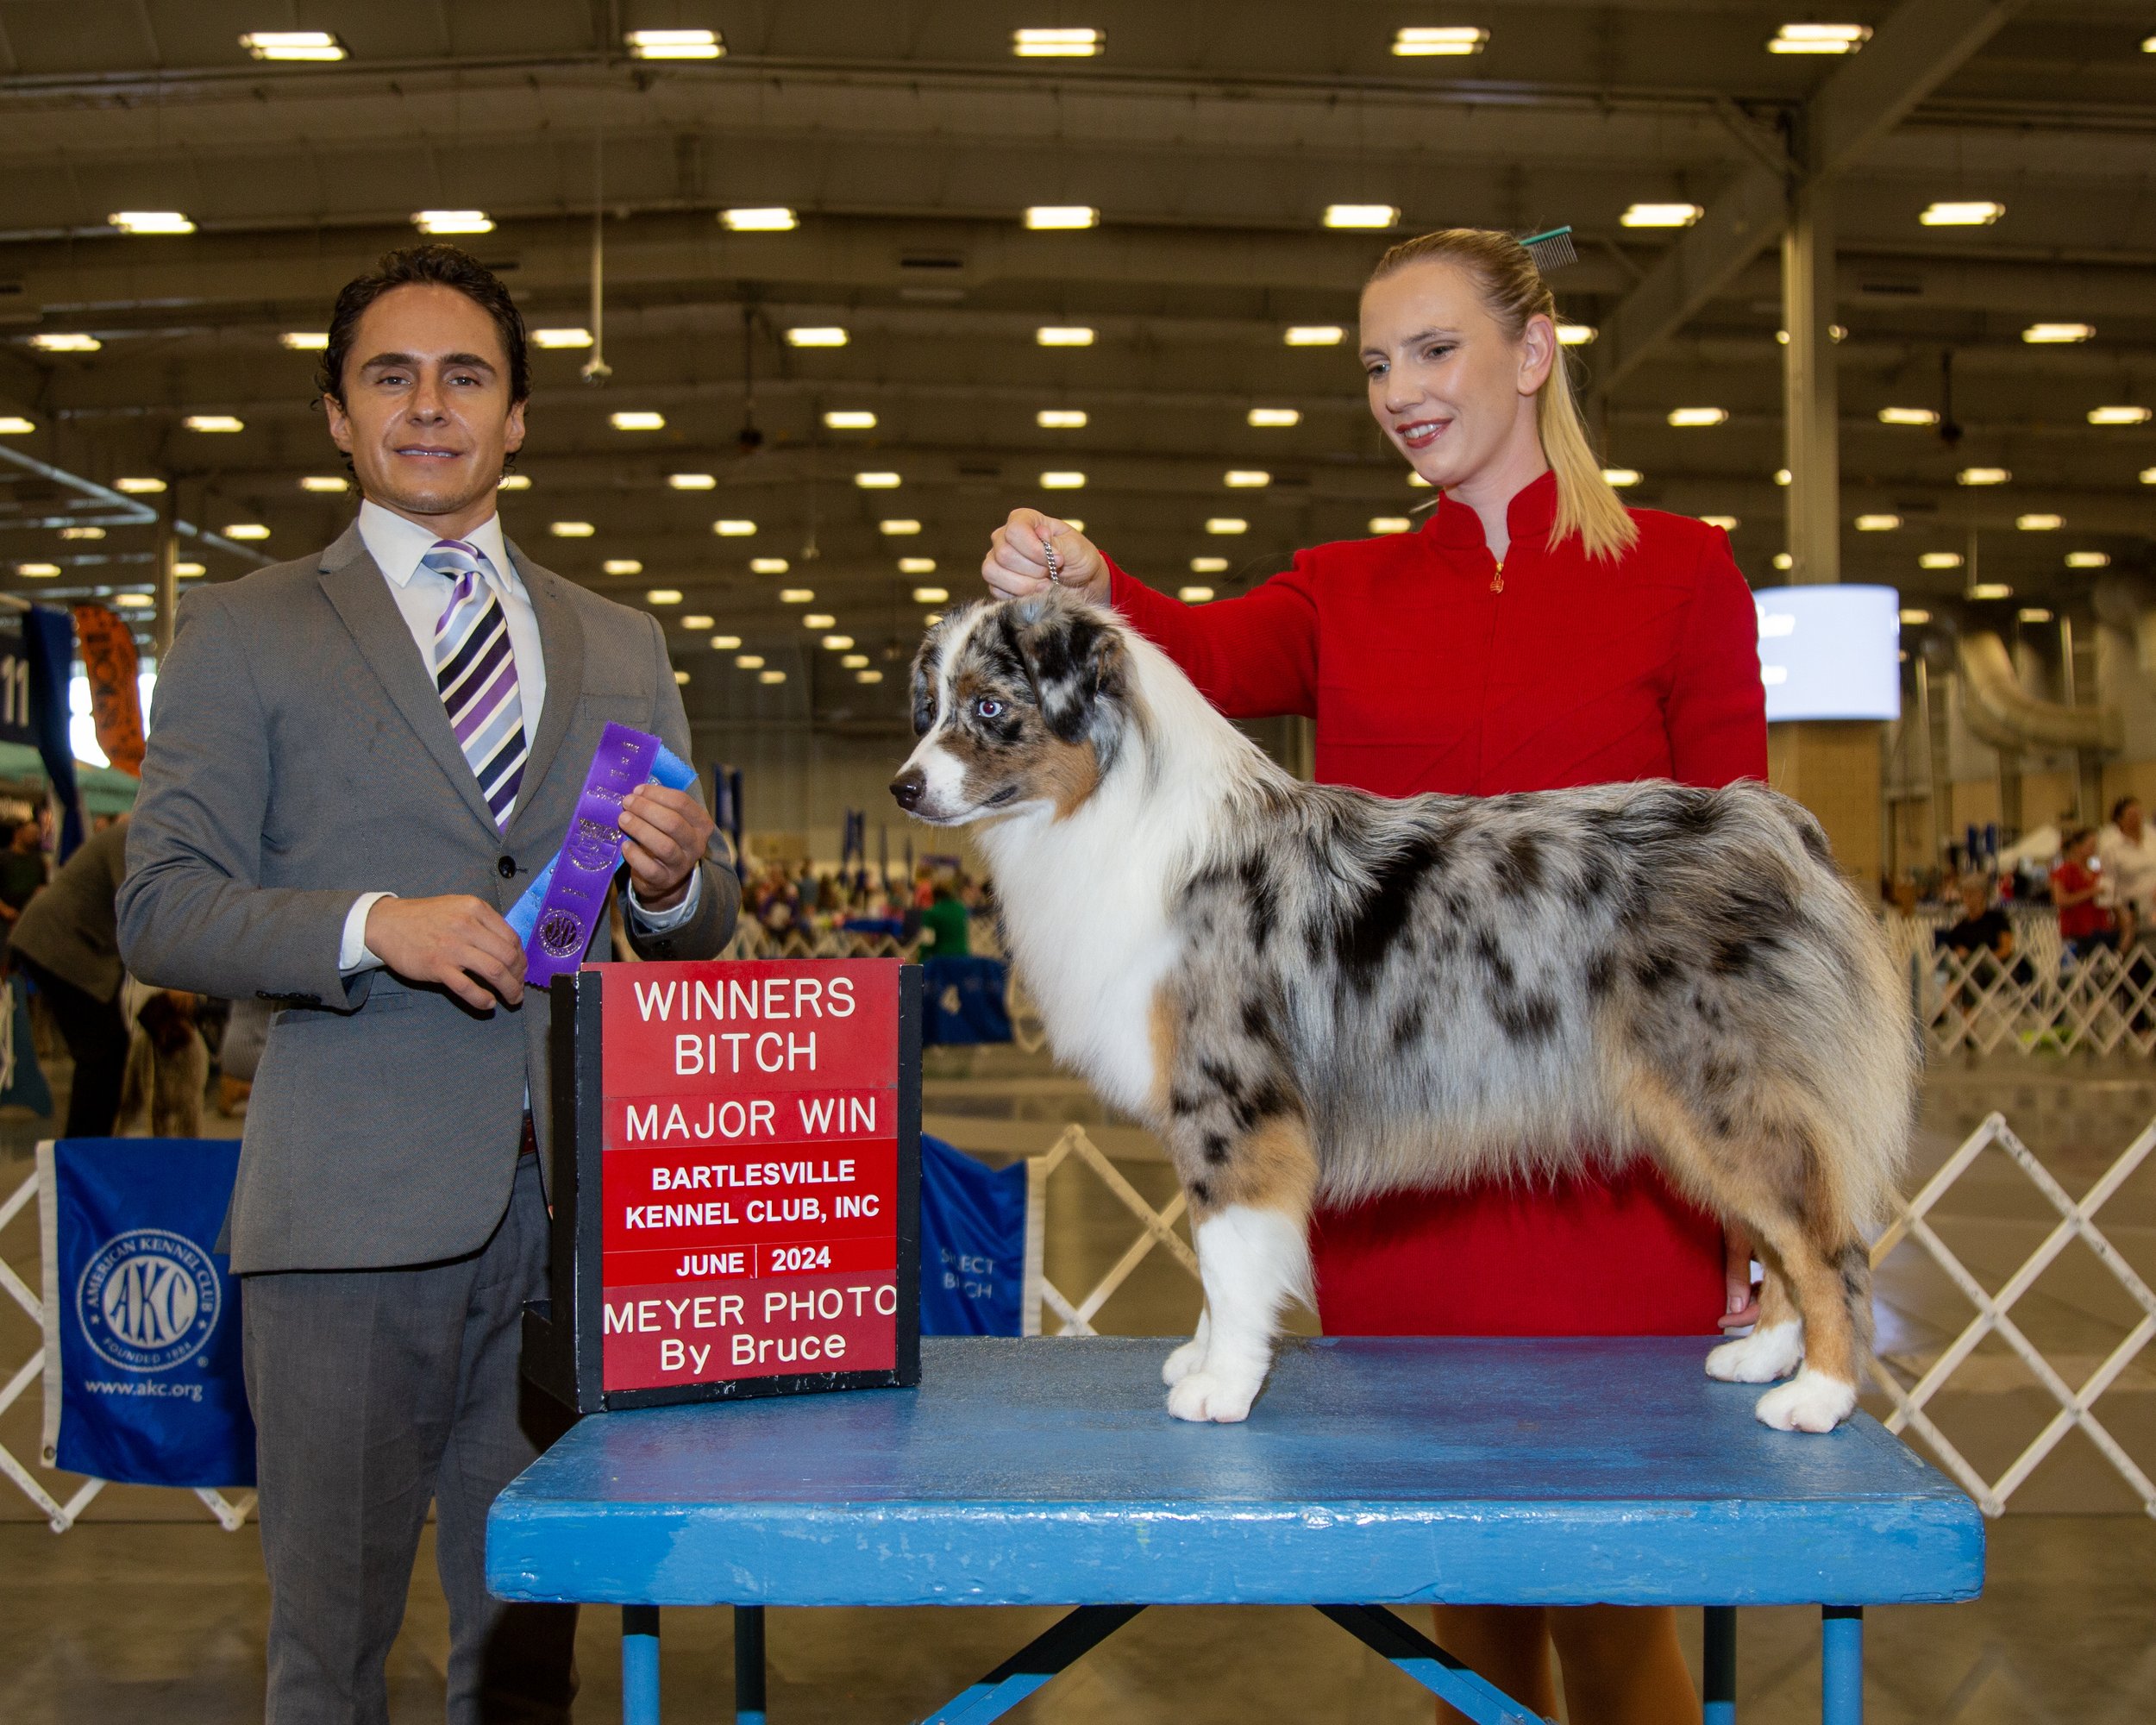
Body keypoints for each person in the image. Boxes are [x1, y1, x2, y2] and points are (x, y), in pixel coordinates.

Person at [982, 226, 1767, 1724]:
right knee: (1466, 1599)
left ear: (1533, 354)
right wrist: (1087, 574)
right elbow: (1192, 647)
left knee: (1610, 1605)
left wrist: (1739, 1184)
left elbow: (1731, 901)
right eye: (1373, 365)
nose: (1399, 390)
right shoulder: (1341, 589)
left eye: (1433, 351)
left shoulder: (1684, 571)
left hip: (1610, 1172)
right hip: (1402, 1185)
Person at [116, 244, 738, 1725]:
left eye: (466, 375)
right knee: (328, 1653)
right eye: (389, 375)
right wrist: (369, 924)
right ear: (337, 415)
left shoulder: (622, 641)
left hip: (566, 1221)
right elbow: (159, 906)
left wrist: (675, 881)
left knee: (528, 1653)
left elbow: (690, 935)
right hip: (342, 1214)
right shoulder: (247, 631)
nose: (428, 405)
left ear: (517, 416)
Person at [9, 817, 133, 1138]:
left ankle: (91, 1141)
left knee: (107, 1047)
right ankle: (86, 1145)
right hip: (57, 945)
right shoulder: (131, 837)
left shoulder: (136, 835)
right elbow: (134, 905)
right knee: (101, 1049)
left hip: (71, 948)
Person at [2052, 827, 2117, 960]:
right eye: (2091, 845)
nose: (2094, 848)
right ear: (2077, 847)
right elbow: (2061, 900)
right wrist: (2091, 893)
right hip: (2075, 930)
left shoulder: (2098, 873)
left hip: (2099, 928)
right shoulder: (2064, 871)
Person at [2097, 797, 2156, 944]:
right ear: (2119, 820)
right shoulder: (2111, 847)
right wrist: (2119, 914)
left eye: (2139, 813)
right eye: (2131, 814)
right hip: (2131, 909)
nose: (2137, 818)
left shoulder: (2153, 838)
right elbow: (2108, 883)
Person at [918, 878, 971, 957]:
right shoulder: (961, 909)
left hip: (942, 958)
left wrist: (921, 957)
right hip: (963, 956)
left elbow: (927, 941)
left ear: (934, 895)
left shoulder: (932, 912)